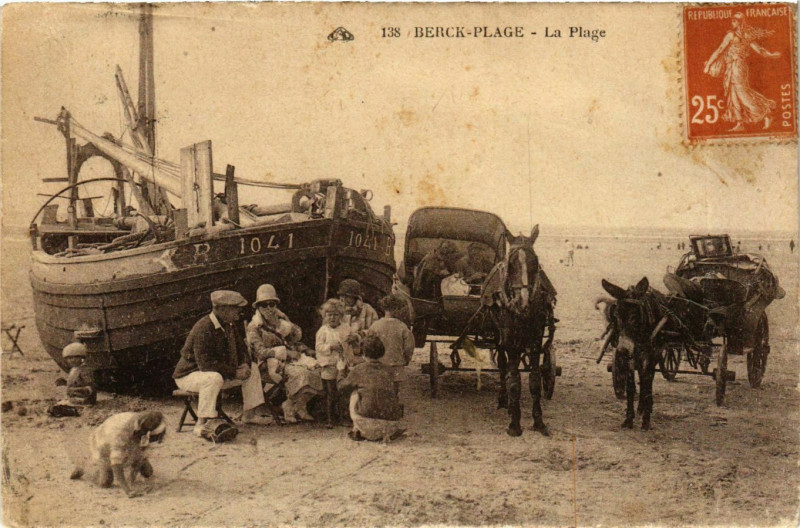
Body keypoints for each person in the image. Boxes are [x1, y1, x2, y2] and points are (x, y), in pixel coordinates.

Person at [173, 290, 267, 436]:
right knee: (212, 378)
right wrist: (234, 372)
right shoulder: (203, 327)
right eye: (236, 308)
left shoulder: (229, 325)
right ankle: (202, 424)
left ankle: (249, 415)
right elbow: (205, 365)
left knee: (253, 369)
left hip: (216, 373)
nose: (239, 311)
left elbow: (243, 350)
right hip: (189, 375)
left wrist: (245, 365)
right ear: (222, 309)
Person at [246, 284, 322, 423]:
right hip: (270, 365)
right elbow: (260, 352)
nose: (269, 308)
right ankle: (289, 407)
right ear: (258, 307)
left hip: (290, 360)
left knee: (319, 371)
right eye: (264, 305)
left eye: (272, 304)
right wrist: (285, 353)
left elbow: (295, 338)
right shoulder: (254, 327)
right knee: (302, 374)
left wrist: (285, 321)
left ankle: (297, 406)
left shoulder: (280, 322)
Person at [704, 12, 781, 132]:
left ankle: (766, 113)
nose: (732, 23)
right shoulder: (740, 35)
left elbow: (758, 49)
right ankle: (740, 123)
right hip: (731, 67)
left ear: (739, 22)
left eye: (734, 21)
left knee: (742, 93)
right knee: (733, 94)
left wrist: (771, 55)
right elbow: (721, 50)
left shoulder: (738, 35)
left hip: (738, 67)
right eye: (732, 21)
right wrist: (770, 55)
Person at [338, 335, 405, 442]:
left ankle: (356, 429)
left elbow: (341, 387)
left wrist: (341, 370)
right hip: (391, 426)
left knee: (355, 392)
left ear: (363, 353)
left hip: (366, 426)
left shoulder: (359, 369)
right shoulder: (389, 370)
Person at [367, 294, 415, 395]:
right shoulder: (402, 327)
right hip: (396, 364)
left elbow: (368, 345)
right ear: (397, 309)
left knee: (379, 390)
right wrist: (406, 359)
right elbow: (409, 347)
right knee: (394, 392)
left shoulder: (375, 326)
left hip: (378, 364)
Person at [315, 298, 351, 427]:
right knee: (330, 393)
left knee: (343, 391)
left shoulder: (345, 328)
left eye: (335, 315)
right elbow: (318, 347)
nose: (332, 318)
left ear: (341, 316)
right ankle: (330, 418)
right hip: (329, 365)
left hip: (342, 365)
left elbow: (349, 343)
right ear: (325, 315)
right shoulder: (323, 331)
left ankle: (344, 416)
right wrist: (330, 347)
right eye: (329, 315)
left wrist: (347, 344)